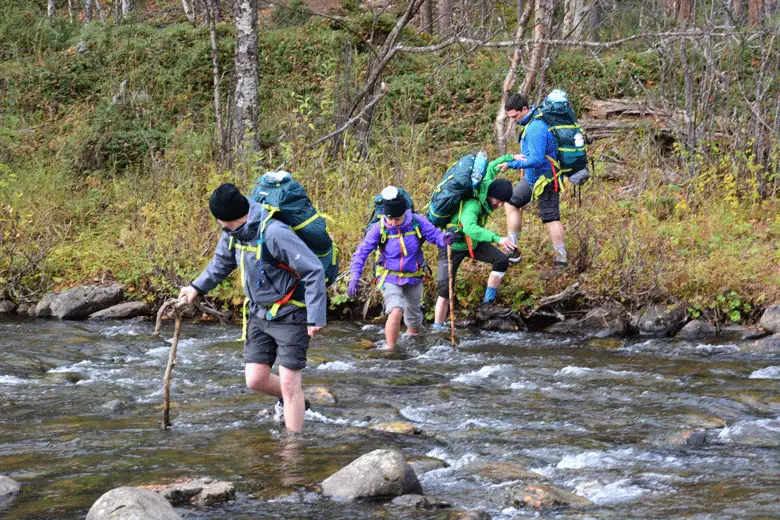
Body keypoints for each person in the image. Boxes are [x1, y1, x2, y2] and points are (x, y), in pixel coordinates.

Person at [179, 183, 326, 433]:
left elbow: (313, 270)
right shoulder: (233, 233)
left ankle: (292, 451)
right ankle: (296, 401)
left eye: (219, 220)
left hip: (291, 312)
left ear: (226, 218)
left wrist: (315, 316)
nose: (219, 225)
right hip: (258, 313)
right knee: (255, 379)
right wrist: (196, 287)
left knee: (290, 383)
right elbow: (221, 264)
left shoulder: (274, 233)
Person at [348, 186, 455, 348]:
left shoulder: (417, 221)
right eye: (389, 219)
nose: (393, 222)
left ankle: (413, 347)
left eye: (397, 219)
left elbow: (435, 235)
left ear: (404, 213)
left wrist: (444, 239)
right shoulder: (379, 228)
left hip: (414, 275)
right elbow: (361, 253)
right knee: (396, 309)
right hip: (388, 275)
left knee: (414, 318)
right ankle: (391, 351)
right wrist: (354, 277)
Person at [432, 175, 517, 329]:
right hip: (450, 246)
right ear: (492, 195)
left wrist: (510, 159)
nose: (500, 204)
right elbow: (470, 228)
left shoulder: (486, 197)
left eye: (503, 202)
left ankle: (486, 305)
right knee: (444, 292)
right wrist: (497, 238)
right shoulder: (473, 204)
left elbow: (492, 167)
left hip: (473, 244)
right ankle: (437, 328)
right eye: (499, 200)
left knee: (501, 260)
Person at [502, 92, 568, 267]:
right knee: (511, 202)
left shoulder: (536, 127)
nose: (514, 120)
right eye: (510, 117)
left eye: (515, 116)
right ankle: (512, 250)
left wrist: (512, 164)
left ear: (525, 109)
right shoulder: (529, 122)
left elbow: (537, 159)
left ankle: (561, 261)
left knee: (551, 218)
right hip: (532, 179)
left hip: (546, 180)